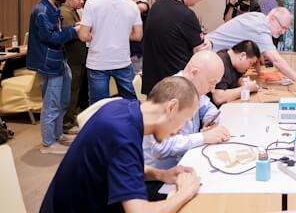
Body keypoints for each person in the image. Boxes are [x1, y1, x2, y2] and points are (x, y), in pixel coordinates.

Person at [40, 76, 201, 213]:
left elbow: (124, 167)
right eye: (185, 120)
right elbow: (138, 211)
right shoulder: (122, 135)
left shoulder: (123, 107)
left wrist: (161, 174)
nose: (181, 130)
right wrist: (185, 192)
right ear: (171, 107)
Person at [143, 51, 230, 199]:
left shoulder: (192, 88)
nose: (213, 89)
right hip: (157, 180)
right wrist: (203, 137)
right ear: (194, 72)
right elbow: (161, 147)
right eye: (212, 82)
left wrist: (210, 120)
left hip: (176, 168)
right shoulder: (172, 93)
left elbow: (208, 108)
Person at [206, 7, 296, 93]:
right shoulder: (261, 28)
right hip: (208, 56)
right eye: (282, 27)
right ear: (273, 19)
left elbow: (256, 51)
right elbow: (277, 60)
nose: (283, 32)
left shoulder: (259, 17)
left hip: (212, 54)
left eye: (286, 29)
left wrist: (259, 73)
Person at [26, 0, 80, 154]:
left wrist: (74, 27)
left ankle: (57, 135)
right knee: (52, 103)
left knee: (63, 100)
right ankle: (48, 143)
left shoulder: (54, 7)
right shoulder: (41, 11)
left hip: (58, 59)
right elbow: (52, 38)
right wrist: (74, 30)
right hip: (49, 62)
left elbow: (57, 33)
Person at [143, 0, 212, 94]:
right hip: (177, 88)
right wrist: (208, 44)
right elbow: (200, 53)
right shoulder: (185, 14)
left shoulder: (156, 6)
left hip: (155, 86)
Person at [78, 0, 143, 104]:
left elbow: (83, 36)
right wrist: (121, 35)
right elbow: (138, 35)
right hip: (122, 60)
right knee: (130, 101)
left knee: (99, 105)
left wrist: (95, 35)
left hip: (98, 62)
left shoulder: (92, 3)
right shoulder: (132, 5)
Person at [60, 0, 87, 132]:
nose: (81, 1)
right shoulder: (65, 12)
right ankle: (66, 122)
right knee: (71, 90)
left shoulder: (72, 11)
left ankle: (69, 119)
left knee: (74, 90)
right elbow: (67, 34)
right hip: (72, 57)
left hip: (78, 56)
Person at [211, 40, 261, 106]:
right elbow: (218, 98)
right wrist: (246, 88)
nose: (250, 67)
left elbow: (231, 79)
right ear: (242, 55)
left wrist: (241, 81)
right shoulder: (220, 63)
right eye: (250, 63)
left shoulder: (233, 61)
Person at [120, 0, 149, 74]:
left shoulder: (141, 3)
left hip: (137, 51)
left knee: (136, 78)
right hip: (124, 51)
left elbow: (141, 8)